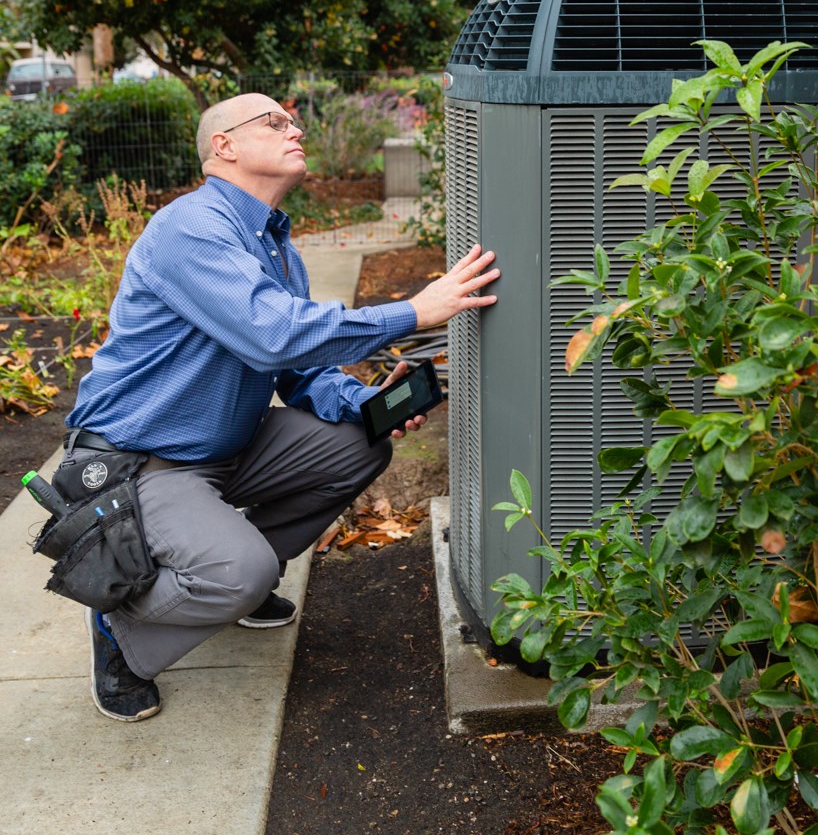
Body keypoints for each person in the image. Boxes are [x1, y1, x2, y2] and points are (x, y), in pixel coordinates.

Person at [61, 92, 499, 722]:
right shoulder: (190, 228)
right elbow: (276, 333)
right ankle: (121, 617)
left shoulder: (274, 245)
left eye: (293, 121)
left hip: (225, 444)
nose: (295, 130)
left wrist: (364, 400)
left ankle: (228, 582)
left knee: (358, 443)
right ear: (225, 147)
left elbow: (300, 369)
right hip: (142, 461)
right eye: (274, 123)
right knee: (237, 572)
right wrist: (414, 310)